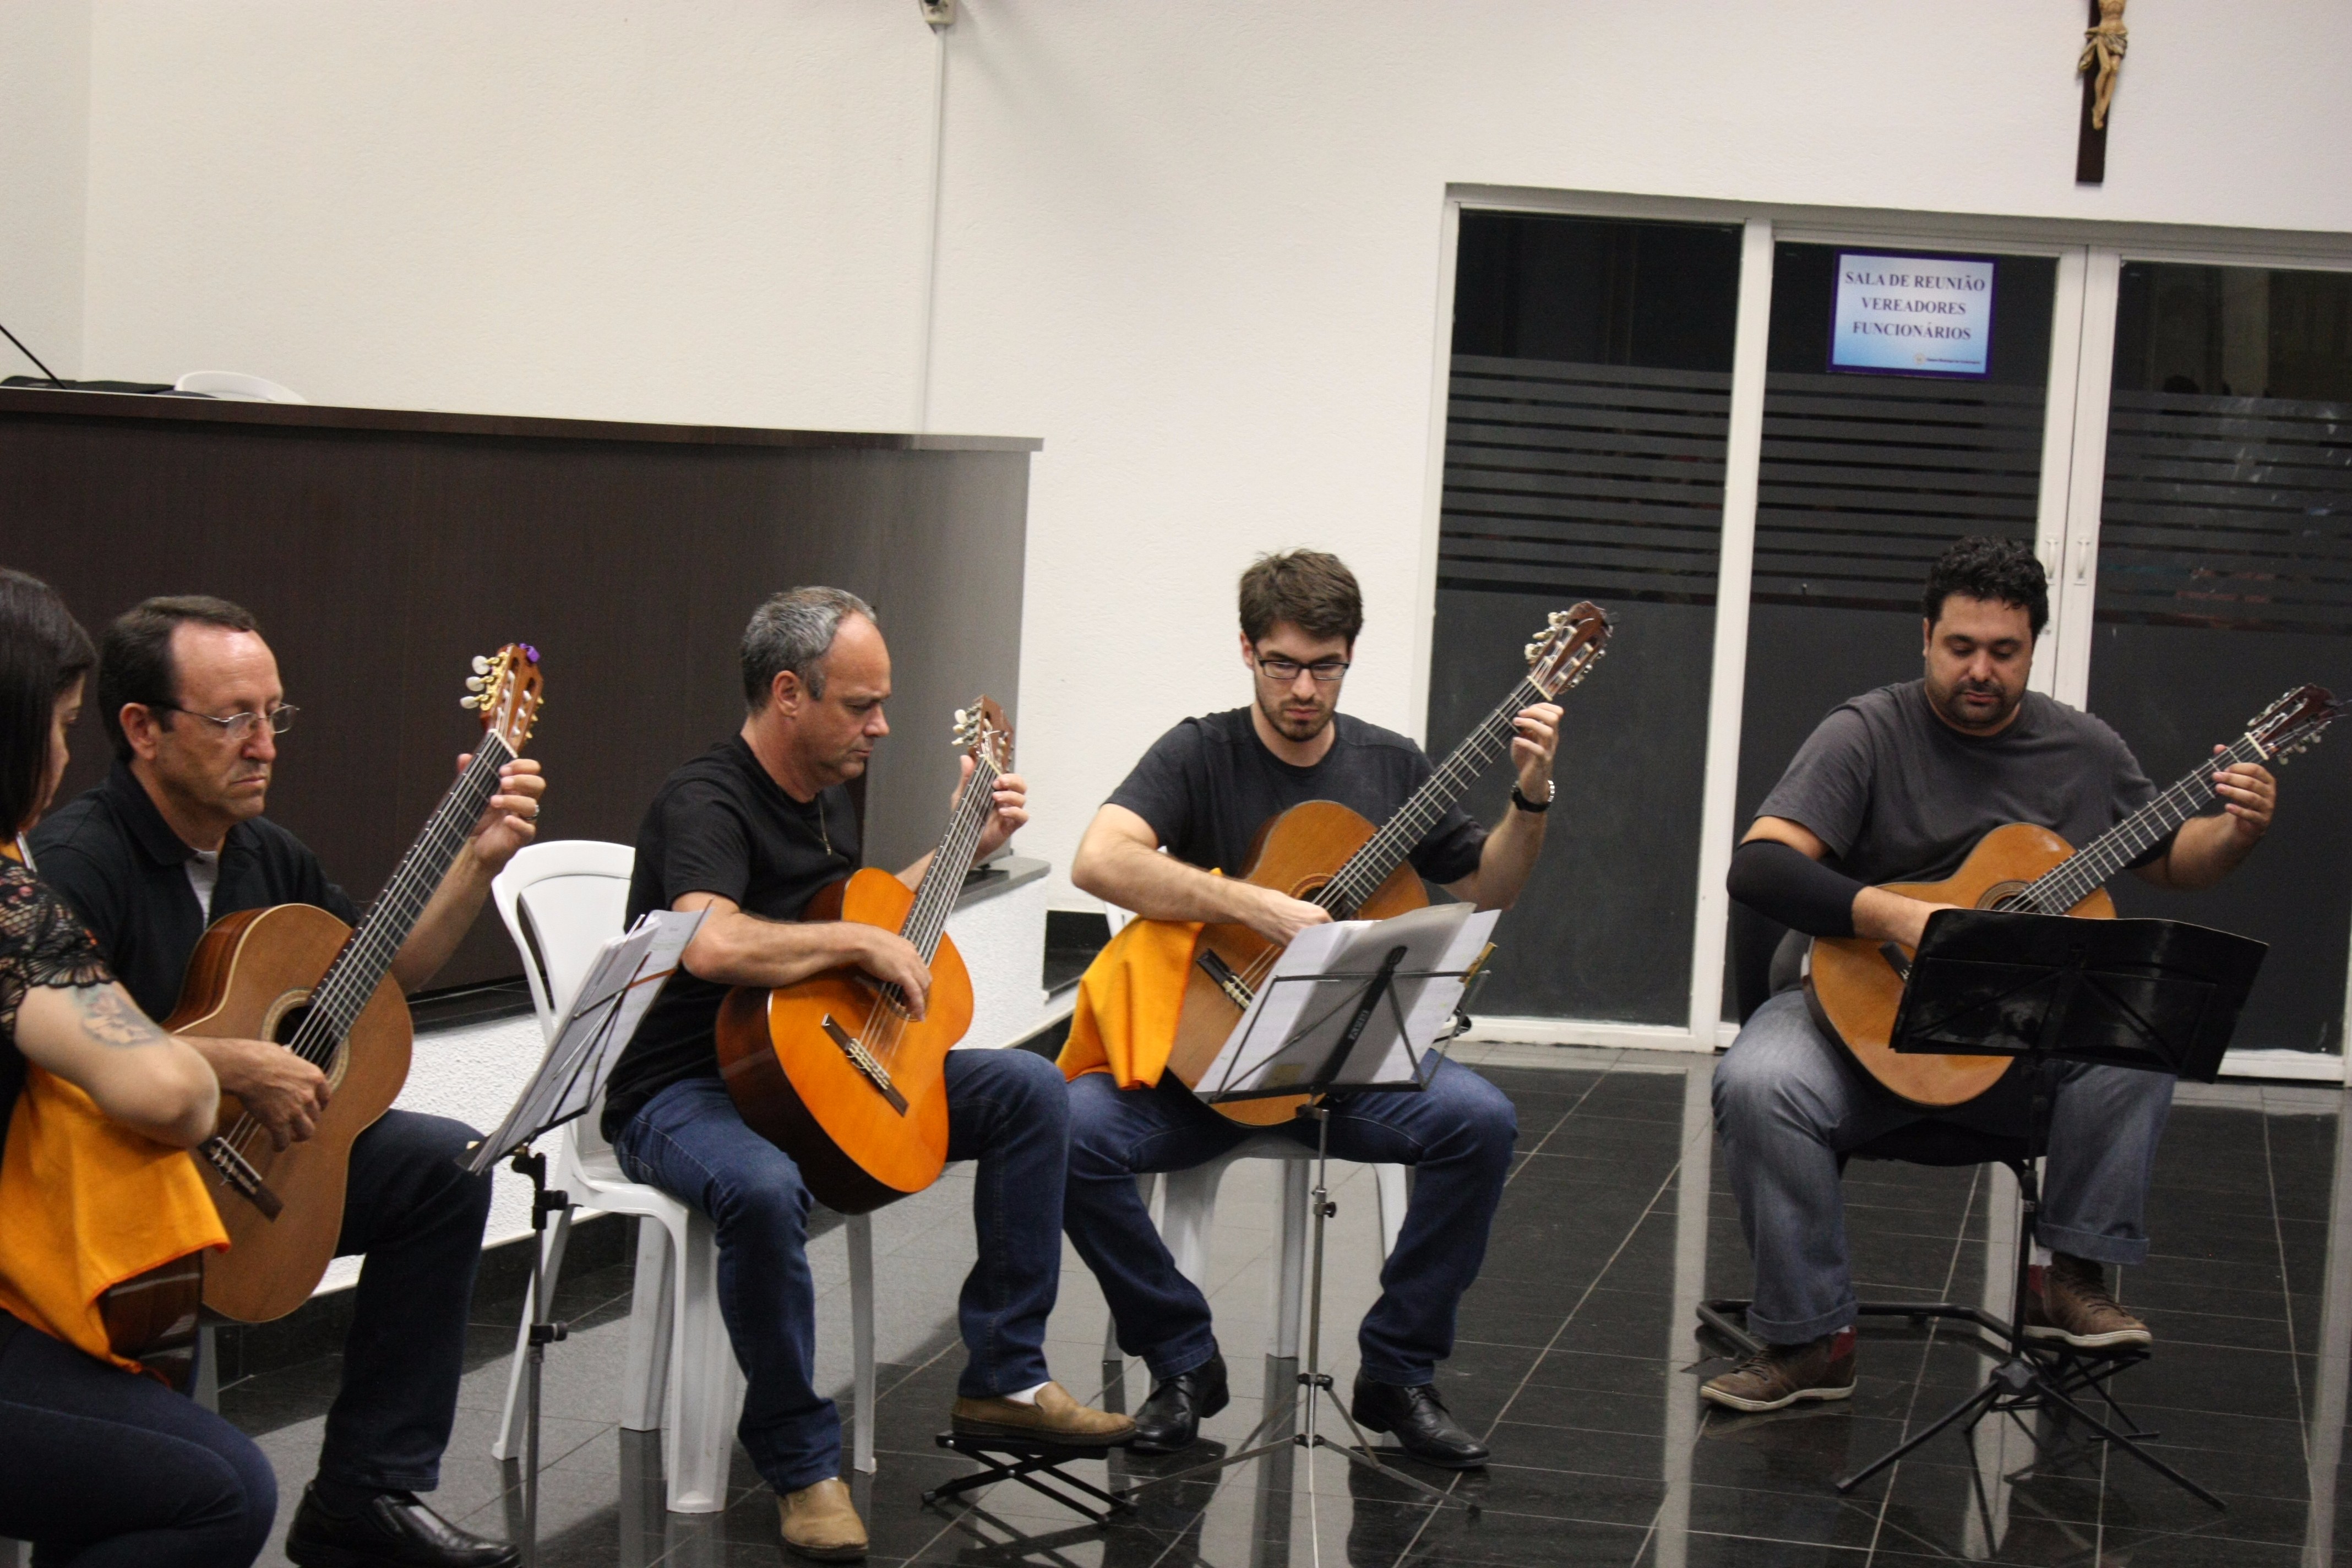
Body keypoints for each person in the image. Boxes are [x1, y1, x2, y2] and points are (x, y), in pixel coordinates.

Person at [600, 587, 1131, 1563]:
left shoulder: (828, 793)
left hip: (805, 1068)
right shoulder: (705, 799)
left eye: (882, 704)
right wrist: (855, 943)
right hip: (680, 1090)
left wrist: (962, 853)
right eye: (861, 706)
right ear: (788, 694)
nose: (881, 726)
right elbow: (712, 941)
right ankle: (802, 1466)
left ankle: (1005, 1375)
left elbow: (863, 917)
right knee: (765, 1189)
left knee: (1030, 1090)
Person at [1703, 535, 2278, 1413]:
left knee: (2139, 1038)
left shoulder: (2083, 749)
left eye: (2004, 652)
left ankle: (2070, 1280)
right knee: (1758, 1081)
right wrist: (1904, 917)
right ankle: (1812, 1337)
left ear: (2032, 648)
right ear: (1926, 638)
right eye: (1961, 647)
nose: (1981, 670)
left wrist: (2235, 834)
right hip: (1857, 1027)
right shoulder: (1866, 732)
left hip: (2017, 1051)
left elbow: (2170, 860)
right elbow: (1760, 868)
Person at [30, 596, 545, 1568]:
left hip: (245, 1174)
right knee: (193, 1458)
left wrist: (477, 863)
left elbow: (377, 979)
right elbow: (54, 1068)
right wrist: (232, 1062)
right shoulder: (75, 866)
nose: (265, 746)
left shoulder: (266, 853)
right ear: (142, 728)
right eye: (234, 719)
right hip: (110, 1200)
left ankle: (363, 1495)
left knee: (445, 1168)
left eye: (275, 715)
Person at [1061, 549, 1561, 1468]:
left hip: (1343, 1062)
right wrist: (1251, 905)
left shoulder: (1391, 764)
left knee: (1481, 1122)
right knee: (1064, 1131)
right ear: (1246, 650)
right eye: (1282, 664)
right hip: (1201, 1065)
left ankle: (1398, 1372)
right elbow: (1099, 860)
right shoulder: (1200, 752)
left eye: (1324, 667)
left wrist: (1530, 797)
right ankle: (1182, 1359)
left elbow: (1489, 890)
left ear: (1350, 655)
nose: (1302, 689)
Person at [0, 568, 276, 1566]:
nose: (63, 756)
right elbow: (172, 1095)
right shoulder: (14, 900)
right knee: (221, 1492)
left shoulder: (264, 850)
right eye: (60, 726)